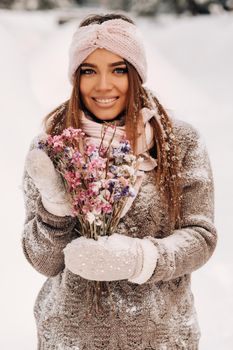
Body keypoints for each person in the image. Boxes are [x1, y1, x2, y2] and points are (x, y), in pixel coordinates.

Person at [21, 12, 217, 350]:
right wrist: (54, 207)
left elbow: (201, 237)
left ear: (136, 73)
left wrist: (142, 258)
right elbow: (44, 261)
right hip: (71, 339)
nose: (103, 85)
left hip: (160, 338)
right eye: (88, 71)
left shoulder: (179, 142)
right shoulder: (54, 145)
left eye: (118, 69)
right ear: (75, 78)